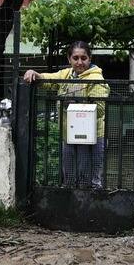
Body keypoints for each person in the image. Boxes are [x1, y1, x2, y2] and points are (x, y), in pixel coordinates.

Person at [23, 41, 110, 189]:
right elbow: (49, 79)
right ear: (69, 59)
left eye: (84, 58)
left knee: (90, 179)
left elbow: (100, 108)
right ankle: (69, 201)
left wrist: (75, 104)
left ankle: (92, 205)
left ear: (90, 59)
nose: (80, 62)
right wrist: (34, 74)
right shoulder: (66, 74)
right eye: (75, 58)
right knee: (68, 175)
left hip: (93, 135)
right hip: (69, 133)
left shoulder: (96, 78)